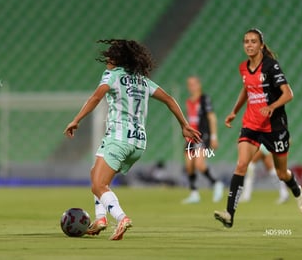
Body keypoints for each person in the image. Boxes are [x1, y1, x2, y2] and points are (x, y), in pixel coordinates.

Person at [64, 39, 201, 240]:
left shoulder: (112, 75)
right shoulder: (142, 80)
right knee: (96, 175)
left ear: (117, 59)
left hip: (118, 138)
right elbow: (170, 100)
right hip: (138, 141)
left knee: (98, 185)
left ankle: (121, 218)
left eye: (110, 56)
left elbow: (95, 97)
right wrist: (184, 125)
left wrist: (76, 120)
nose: (107, 60)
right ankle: (101, 219)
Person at [214, 28, 302, 228]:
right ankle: (229, 214)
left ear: (261, 45)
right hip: (251, 125)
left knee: (282, 173)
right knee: (241, 165)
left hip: (274, 127)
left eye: (253, 41)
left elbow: (288, 93)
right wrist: (234, 111)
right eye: (246, 41)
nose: (249, 45)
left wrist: (272, 107)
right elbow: (247, 89)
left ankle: (297, 191)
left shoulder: (271, 66)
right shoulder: (243, 68)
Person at [181, 76, 223, 204]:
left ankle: (216, 183)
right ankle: (194, 193)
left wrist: (214, 137)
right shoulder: (188, 102)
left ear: (199, 85)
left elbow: (212, 118)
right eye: (189, 84)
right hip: (191, 137)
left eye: (194, 84)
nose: (191, 86)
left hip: (202, 135)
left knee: (199, 164)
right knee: (189, 166)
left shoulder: (205, 99)